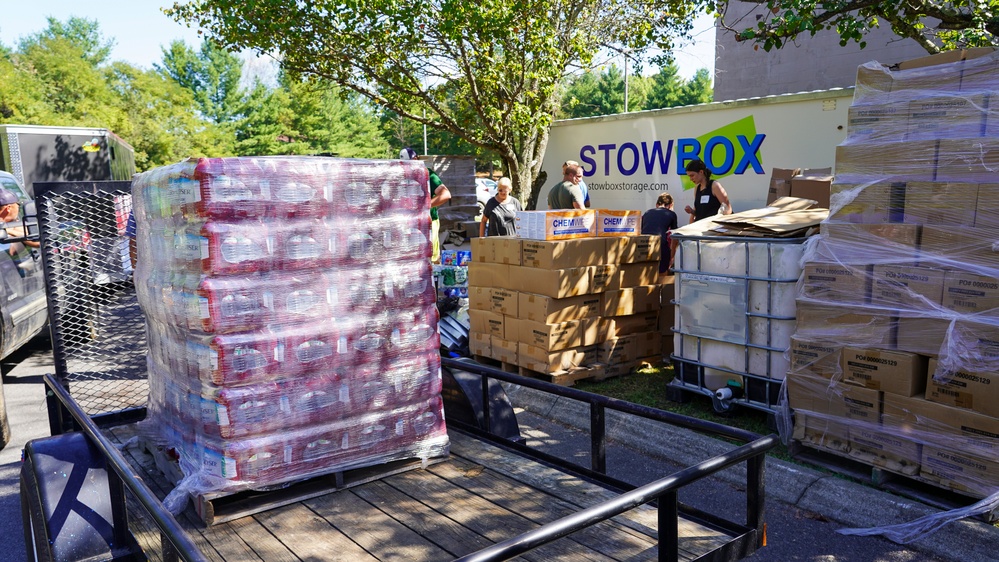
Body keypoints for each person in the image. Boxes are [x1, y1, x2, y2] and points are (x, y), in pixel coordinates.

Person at [400, 147, 451, 262]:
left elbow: (446, 194)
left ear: (416, 159)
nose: (408, 167)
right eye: (405, 164)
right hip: (410, 222)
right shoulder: (401, 176)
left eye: (410, 162)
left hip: (428, 221)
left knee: (430, 256)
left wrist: (425, 206)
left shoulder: (427, 174)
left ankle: (435, 276)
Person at [641, 193, 679, 283]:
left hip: (644, 244)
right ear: (671, 205)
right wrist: (672, 257)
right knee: (662, 273)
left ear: (657, 204)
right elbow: (674, 237)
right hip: (660, 245)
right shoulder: (671, 214)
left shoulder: (647, 213)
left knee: (646, 273)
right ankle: (661, 291)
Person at [682, 159, 733, 224]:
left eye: (692, 175)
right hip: (700, 227)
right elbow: (698, 212)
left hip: (713, 228)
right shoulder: (697, 188)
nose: (691, 179)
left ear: (701, 172)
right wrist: (691, 211)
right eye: (689, 176)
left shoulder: (714, 185)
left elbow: (728, 209)